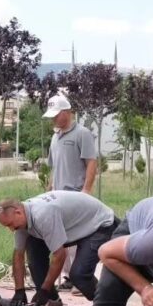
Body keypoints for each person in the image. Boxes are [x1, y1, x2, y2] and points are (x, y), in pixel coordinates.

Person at [0, 191, 119, 306]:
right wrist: (19, 291)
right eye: (7, 226)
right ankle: (52, 301)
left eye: (10, 224)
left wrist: (44, 290)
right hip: (76, 224)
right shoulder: (23, 218)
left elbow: (59, 255)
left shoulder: (43, 215)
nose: (11, 229)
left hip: (99, 224)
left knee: (79, 275)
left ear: (18, 212)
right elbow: (18, 255)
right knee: (33, 249)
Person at [43, 94, 99, 292]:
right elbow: (54, 166)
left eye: (56, 115)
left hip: (75, 194)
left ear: (66, 113)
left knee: (76, 238)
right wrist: (49, 188)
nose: (53, 119)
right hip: (57, 195)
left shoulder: (82, 134)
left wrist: (87, 190)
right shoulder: (54, 137)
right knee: (61, 238)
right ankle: (67, 276)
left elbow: (91, 162)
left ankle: (79, 277)